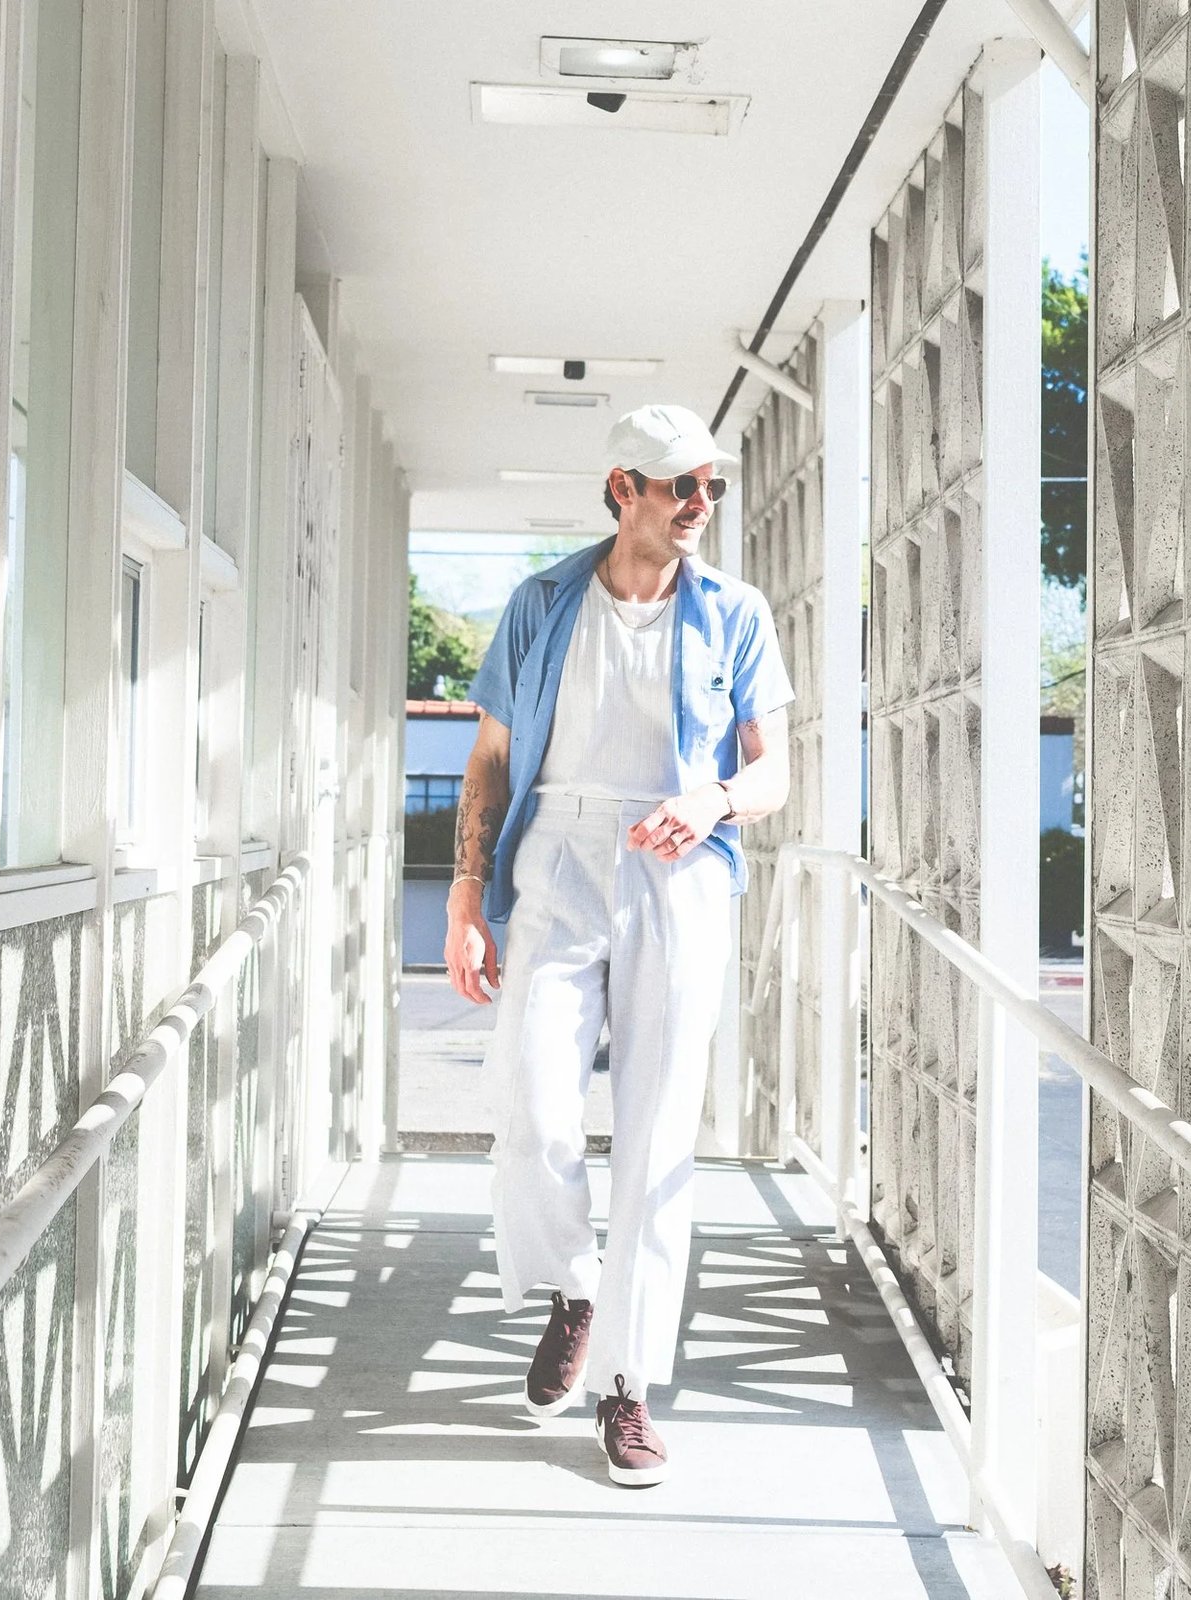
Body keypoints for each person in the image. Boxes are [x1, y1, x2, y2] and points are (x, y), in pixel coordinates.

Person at [444, 402, 794, 1486]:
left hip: (679, 867)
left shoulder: (737, 612)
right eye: (677, 484)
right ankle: (574, 1285)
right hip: (558, 854)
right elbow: (491, 761)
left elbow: (774, 771)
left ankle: (630, 1386)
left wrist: (715, 804)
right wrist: (465, 896)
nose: (699, 505)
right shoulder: (543, 603)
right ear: (621, 489)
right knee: (532, 1098)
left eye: (712, 486)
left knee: (656, 1136)